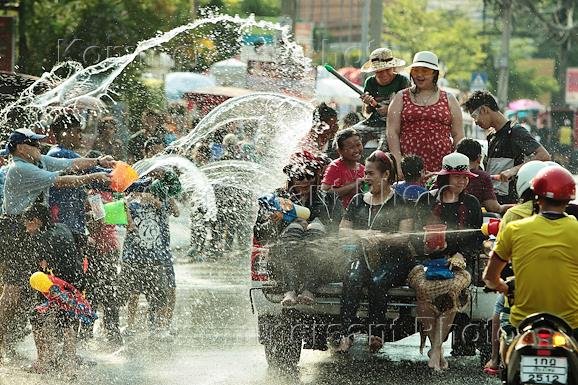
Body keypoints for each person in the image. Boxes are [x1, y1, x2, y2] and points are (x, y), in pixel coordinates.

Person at [0, 128, 113, 359]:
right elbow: (61, 181)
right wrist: (94, 177)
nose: (39, 147)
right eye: (34, 144)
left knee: (35, 289)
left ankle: (20, 344)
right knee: (14, 290)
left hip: (31, 230)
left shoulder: (38, 161)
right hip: (16, 230)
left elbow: (71, 165)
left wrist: (99, 161)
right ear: (21, 148)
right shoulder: (21, 168)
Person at [483, 166, 578, 344]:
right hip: (571, 323)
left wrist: (502, 286)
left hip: (522, 320)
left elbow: (490, 276)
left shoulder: (515, 227)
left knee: (503, 322)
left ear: (537, 196)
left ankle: (495, 361)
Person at [408, 152, 483, 371]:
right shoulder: (426, 200)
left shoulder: (471, 203)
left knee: (452, 291)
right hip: (426, 263)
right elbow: (413, 235)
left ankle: (436, 349)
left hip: (457, 264)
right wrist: (427, 246)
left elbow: (477, 237)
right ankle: (437, 347)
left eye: (465, 177)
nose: (462, 181)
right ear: (445, 177)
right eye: (457, 176)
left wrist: (462, 255)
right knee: (423, 289)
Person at [335, 151, 413, 354]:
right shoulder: (358, 201)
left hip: (394, 259)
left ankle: (376, 332)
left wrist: (381, 238)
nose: (365, 178)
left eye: (370, 174)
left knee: (378, 280)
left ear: (386, 175)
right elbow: (343, 231)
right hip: (362, 256)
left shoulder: (400, 203)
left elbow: (404, 237)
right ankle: (346, 333)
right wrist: (363, 235)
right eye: (365, 173)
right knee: (352, 277)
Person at [481, 160, 552, 375]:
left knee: (498, 312)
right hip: (561, 291)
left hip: (521, 283)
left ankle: (494, 359)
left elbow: (501, 253)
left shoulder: (514, 215)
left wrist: (498, 281)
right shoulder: (567, 217)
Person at [24, 203, 84, 377]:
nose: (27, 230)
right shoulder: (63, 227)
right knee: (68, 319)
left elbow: (40, 268)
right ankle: (69, 365)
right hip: (77, 281)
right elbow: (83, 241)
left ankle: (44, 362)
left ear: (35, 221)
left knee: (36, 316)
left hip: (59, 285)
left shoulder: (38, 239)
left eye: (27, 225)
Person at [462, 90, 550, 203]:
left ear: (484, 110)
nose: (475, 122)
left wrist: (513, 170)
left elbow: (544, 156)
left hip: (510, 201)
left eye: (474, 116)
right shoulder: (491, 135)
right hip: (493, 199)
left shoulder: (515, 131)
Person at [387, 51, 465, 177]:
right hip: (408, 166)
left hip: (442, 167)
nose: (420, 75)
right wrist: (398, 163)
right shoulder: (401, 97)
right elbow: (392, 132)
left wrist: (455, 167)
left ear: (435, 73)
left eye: (425, 71)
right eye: (416, 71)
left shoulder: (449, 99)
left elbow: (458, 135)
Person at [455, 138, 511, 214]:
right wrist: (518, 207)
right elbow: (494, 208)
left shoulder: (448, 173)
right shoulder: (482, 177)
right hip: (470, 220)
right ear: (479, 158)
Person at [359, 48, 409, 127]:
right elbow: (366, 113)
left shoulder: (402, 80)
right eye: (379, 71)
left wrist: (390, 110)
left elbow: (408, 108)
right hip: (375, 123)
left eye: (387, 69)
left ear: (393, 67)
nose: (384, 74)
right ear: (374, 71)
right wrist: (367, 103)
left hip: (398, 123)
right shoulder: (370, 82)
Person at [321, 128, 365, 208]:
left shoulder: (363, 169)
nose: (356, 150)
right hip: (338, 215)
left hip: (358, 213)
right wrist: (356, 184)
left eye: (358, 145)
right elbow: (324, 192)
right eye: (351, 147)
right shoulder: (335, 167)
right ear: (340, 151)